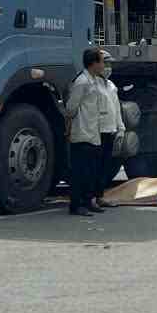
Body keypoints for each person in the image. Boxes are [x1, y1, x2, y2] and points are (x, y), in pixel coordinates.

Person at [60, 47, 122, 216]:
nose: (104, 65)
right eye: (102, 62)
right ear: (94, 63)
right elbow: (71, 107)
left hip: (93, 133)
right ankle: (77, 205)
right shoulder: (82, 82)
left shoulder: (95, 81)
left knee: (91, 170)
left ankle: (88, 201)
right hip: (83, 132)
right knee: (80, 171)